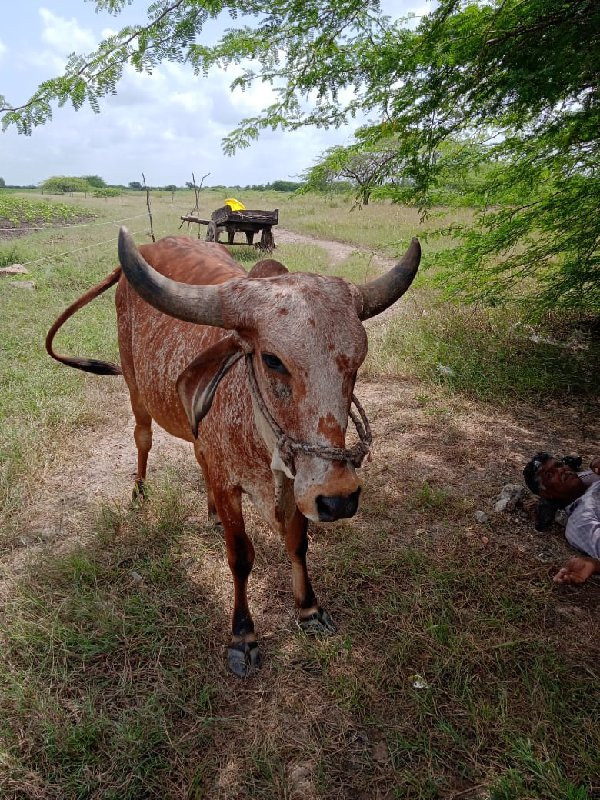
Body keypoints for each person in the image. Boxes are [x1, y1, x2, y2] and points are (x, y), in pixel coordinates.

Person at [523, 453, 600, 584]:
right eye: (550, 475)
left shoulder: (587, 476)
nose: (561, 470)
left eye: (559, 465)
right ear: (546, 494)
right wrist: (594, 565)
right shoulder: (581, 522)